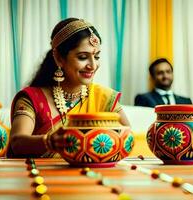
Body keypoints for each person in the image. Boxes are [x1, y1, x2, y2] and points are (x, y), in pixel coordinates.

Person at [8, 18, 129, 158]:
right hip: (40, 177)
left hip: (91, 176)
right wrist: (50, 142)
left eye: (96, 57)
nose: (93, 65)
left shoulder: (103, 96)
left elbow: (127, 137)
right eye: (83, 57)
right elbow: (17, 143)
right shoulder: (32, 98)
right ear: (59, 58)